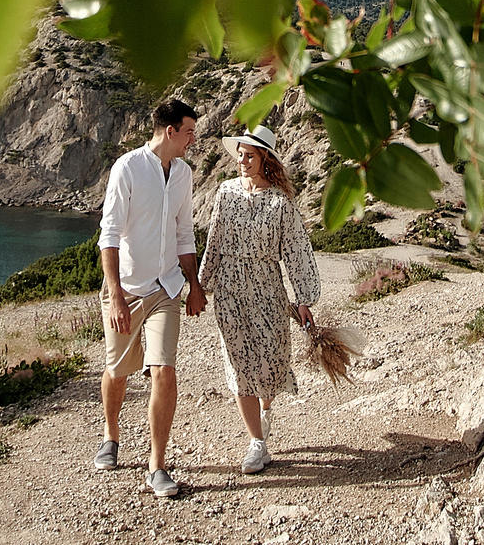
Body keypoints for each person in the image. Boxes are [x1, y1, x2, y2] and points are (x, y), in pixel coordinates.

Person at [94, 97, 204, 499]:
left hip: (165, 289)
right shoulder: (128, 168)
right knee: (118, 371)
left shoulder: (184, 174)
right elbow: (108, 236)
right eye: (189, 131)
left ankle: (157, 465)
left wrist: (194, 284)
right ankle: (110, 434)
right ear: (170, 131)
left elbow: (184, 233)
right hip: (125, 289)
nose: (194, 139)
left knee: (164, 371)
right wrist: (117, 297)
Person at [200, 124, 321, 475]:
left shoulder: (281, 203)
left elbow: (296, 250)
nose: (241, 159)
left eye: (249, 154)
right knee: (239, 365)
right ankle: (257, 442)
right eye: (239, 153)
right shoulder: (225, 192)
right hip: (230, 290)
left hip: (268, 288)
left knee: (269, 361)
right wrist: (201, 286)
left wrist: (303, 299)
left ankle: (265, 409)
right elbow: (215, 242)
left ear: (264, 158)